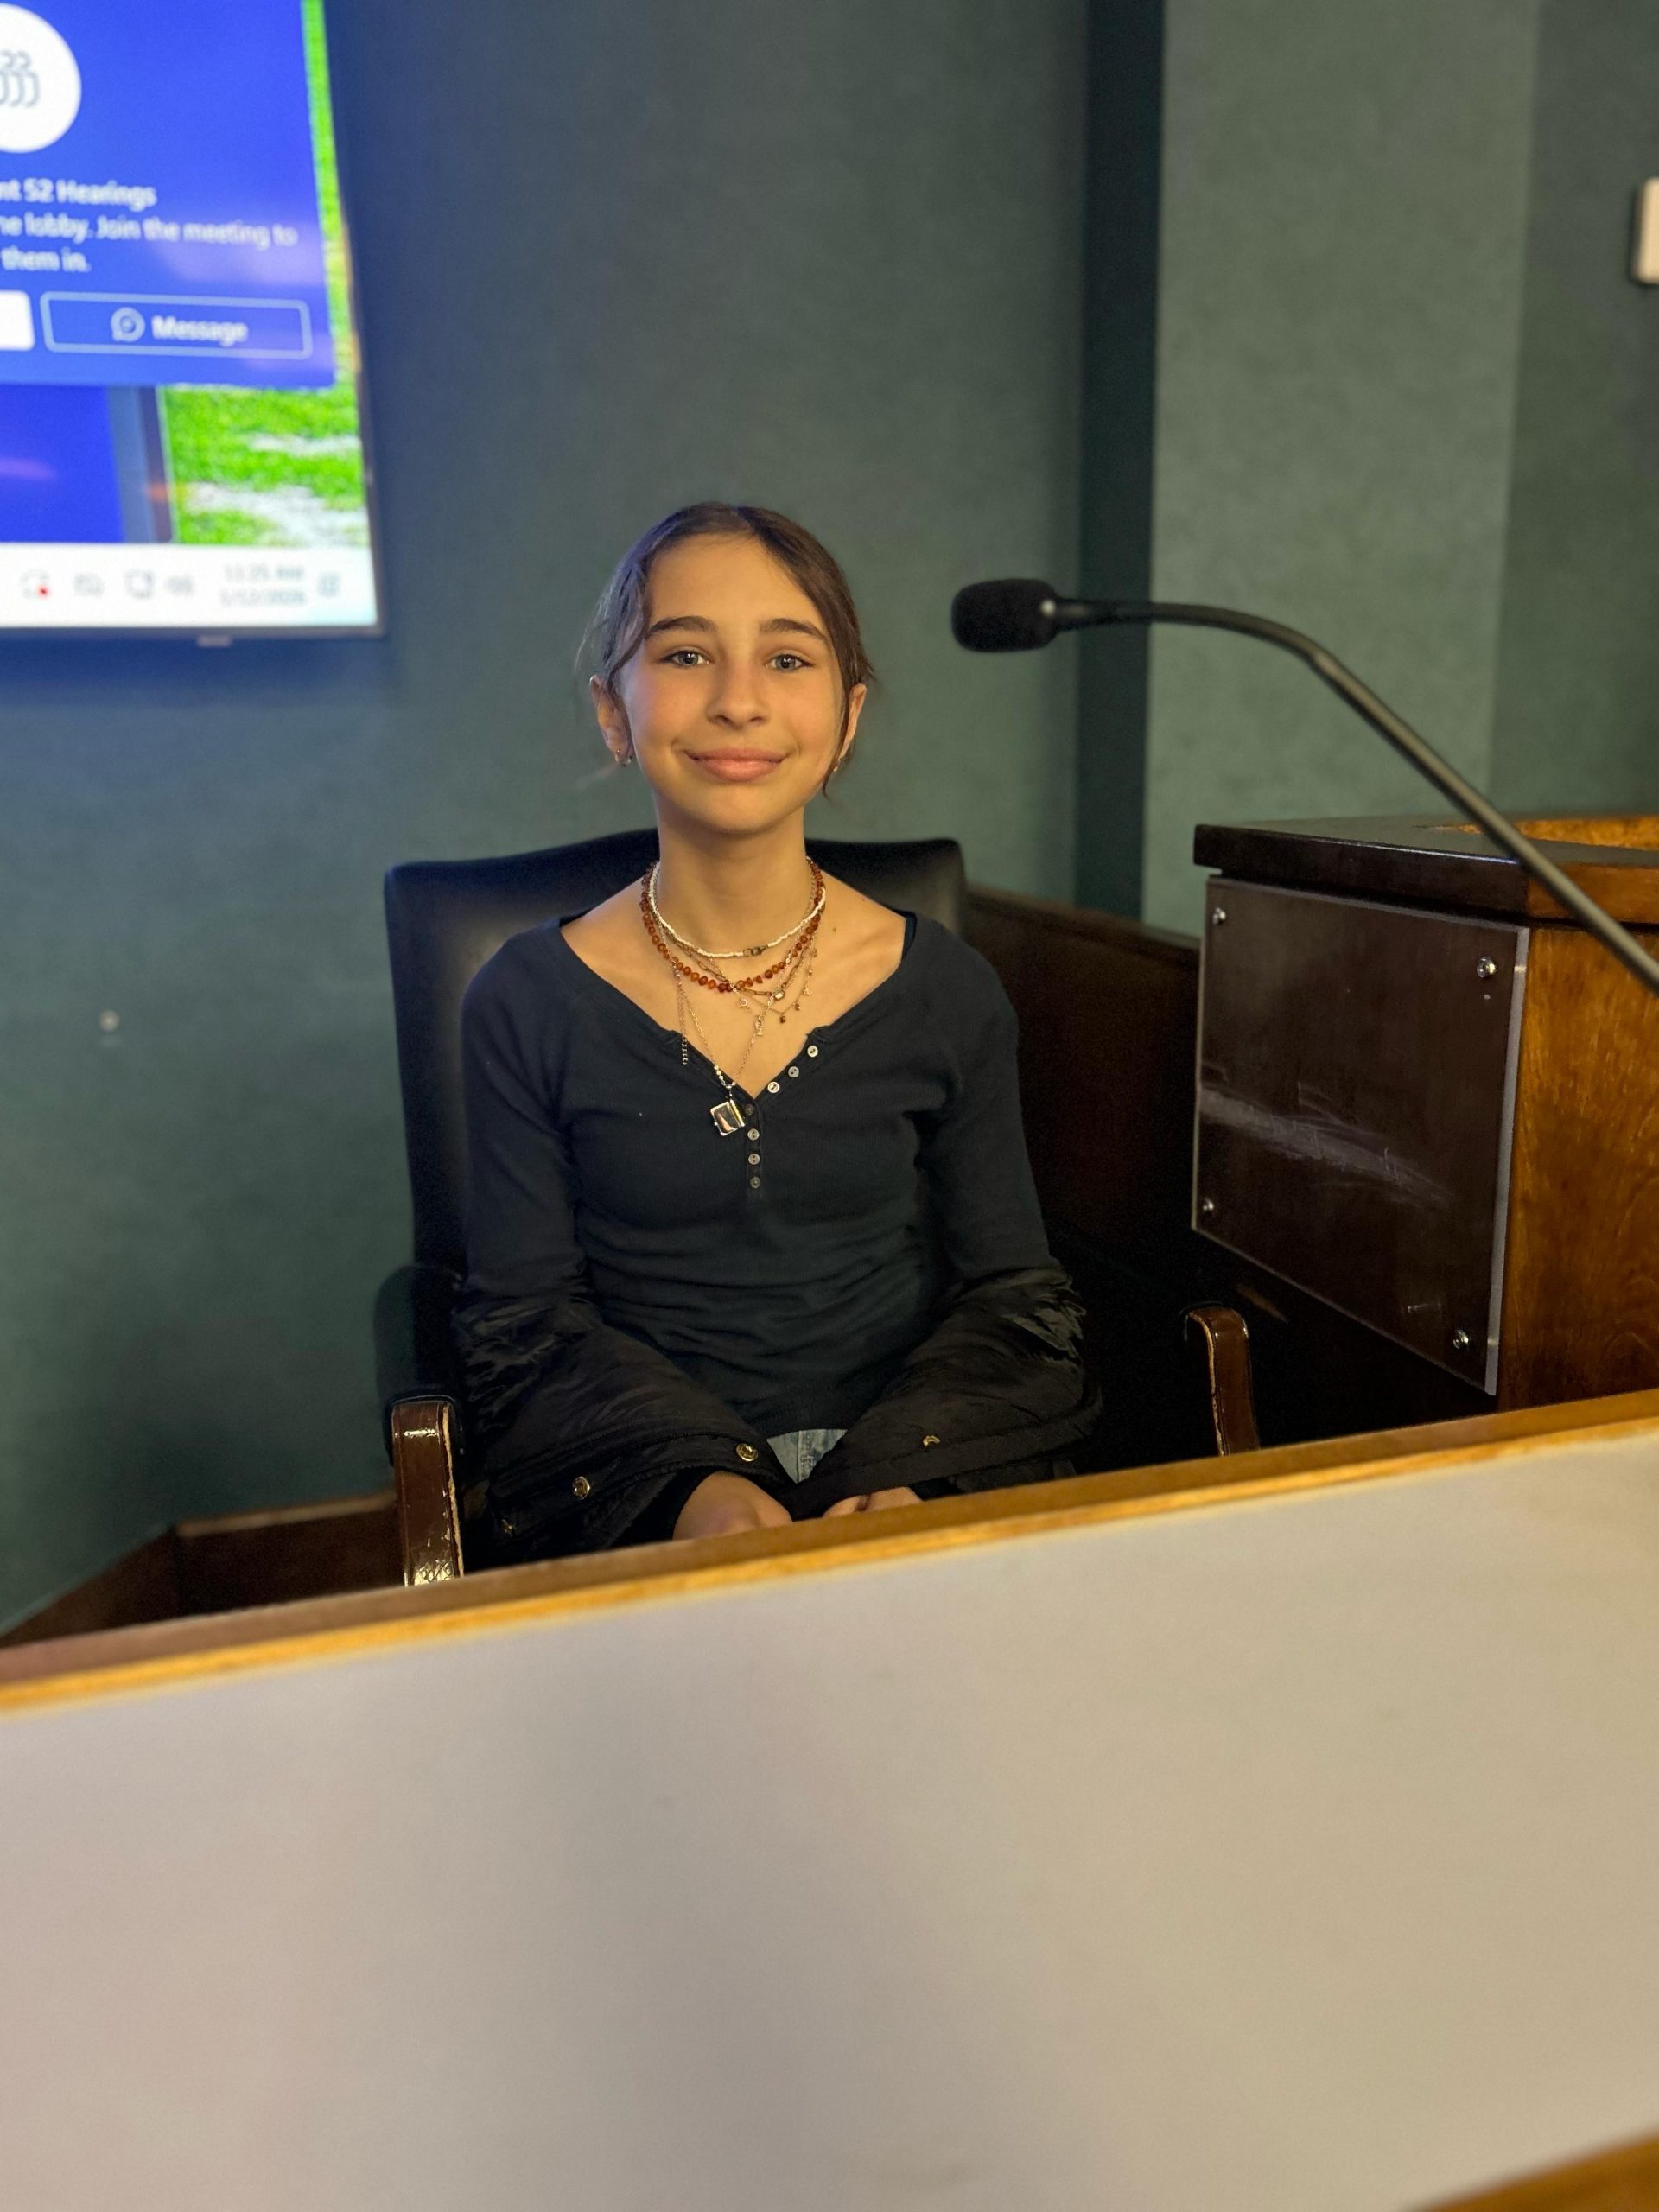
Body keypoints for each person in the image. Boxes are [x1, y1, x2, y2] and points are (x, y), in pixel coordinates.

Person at [454, 502, 1097, 1556]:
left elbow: (1016, 1296)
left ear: (848, 716)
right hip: (639, 1487)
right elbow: (521, 1326)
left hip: (905, 1477)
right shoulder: (523, 998)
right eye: (686, 654)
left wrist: (909, 1476)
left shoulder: (947, 989)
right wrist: (696, 1488)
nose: (740, 700)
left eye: (788, 658)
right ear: (613, 712)